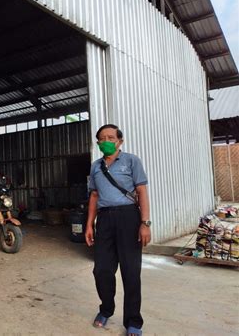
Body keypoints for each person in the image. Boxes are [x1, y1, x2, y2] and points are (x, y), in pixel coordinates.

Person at [85, 124, 151, 336]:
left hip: (129, 217)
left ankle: (133, 321)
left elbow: (141, 191)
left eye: (111, 137)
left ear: (119, 141)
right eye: (102, 138)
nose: (106, 141)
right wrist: (89, 224)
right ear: (98, 143)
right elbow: (94, 196)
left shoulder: (132, 161)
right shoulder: (95, 167)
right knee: (101, 270)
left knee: (131, 272)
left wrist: (145, 223)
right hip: (104, 220)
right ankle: (106, 308)